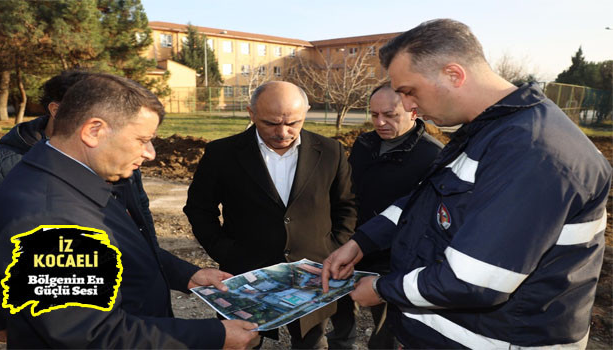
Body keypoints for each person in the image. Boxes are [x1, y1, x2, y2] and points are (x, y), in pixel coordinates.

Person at [322, 18, 611, 349]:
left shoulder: (533, 152)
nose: (407, 106)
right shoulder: (489, 130)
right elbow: (426, 202)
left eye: (409, 91)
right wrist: (362, 242)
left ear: (453, 74)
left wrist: (380, 288)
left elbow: (474, 280)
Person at [0, 73, 258, 348]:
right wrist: (214, 335)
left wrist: (186, 275)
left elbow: (118, 248)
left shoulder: (73, 178)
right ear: (93, 131)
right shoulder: (50, 218)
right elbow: (90, 334)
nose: (150, 153)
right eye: (141, 139)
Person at [184, 81, 357, 348]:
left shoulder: (331, 151)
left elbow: (345, 206)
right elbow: (199, 209)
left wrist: (332, 249)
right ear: (251, 113)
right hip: (246, 274)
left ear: (307, 111)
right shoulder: (222, 153)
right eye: (271, 123)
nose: (283, 132)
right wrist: (225, 252)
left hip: (313, 273)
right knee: (243, 342)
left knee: (312, 341)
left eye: (293, 123)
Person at [0, 71, 97, 342]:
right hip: (40, 321)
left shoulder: (118, 159)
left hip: (113, 311)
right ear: (56, 110)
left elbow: (141, 229)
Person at [348, 84, 443, 349]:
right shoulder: (364, 144)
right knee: (343, 318)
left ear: (413, 112)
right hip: (354, 247)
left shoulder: (432, 156)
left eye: (389, 115)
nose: (380, 122)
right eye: (374, 114)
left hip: (396, 259)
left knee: (387, 332)